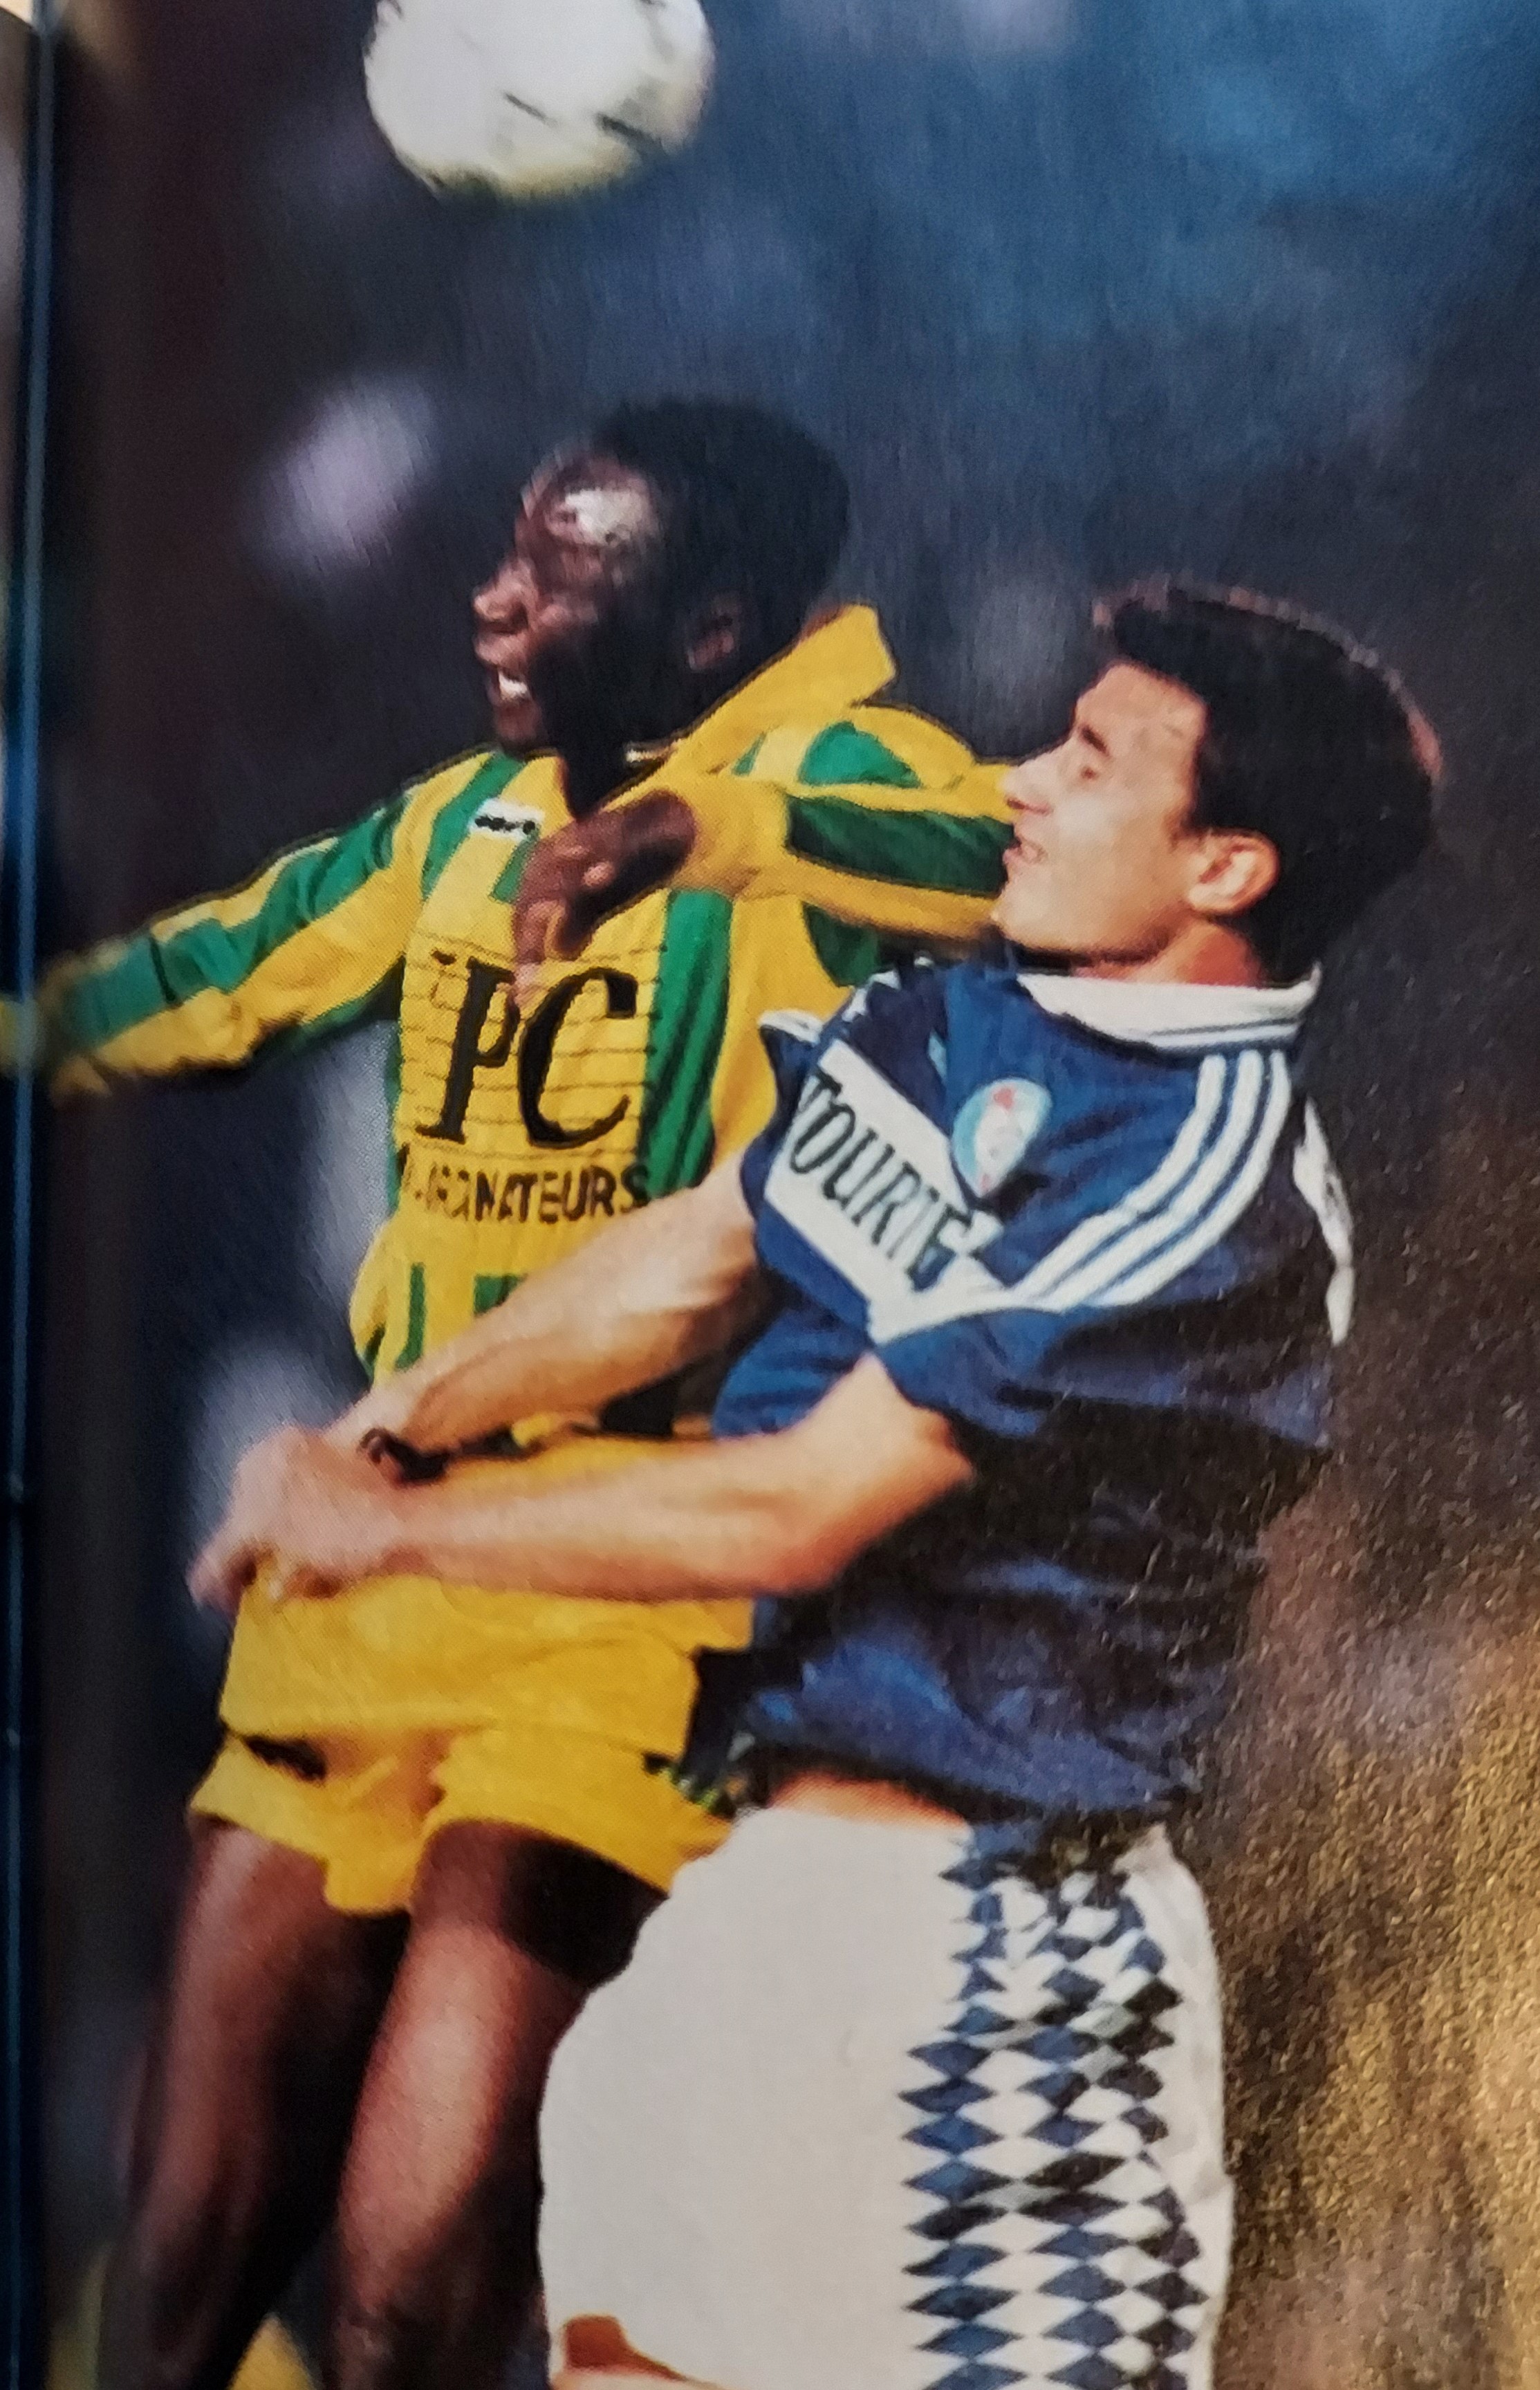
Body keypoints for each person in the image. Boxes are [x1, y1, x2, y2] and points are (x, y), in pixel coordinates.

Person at [196, 582, 1438, 2390]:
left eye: (1092, 763)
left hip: (999, 1977)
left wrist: (390, 1528)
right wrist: (386, 1424)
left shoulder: (1203, 1178)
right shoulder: (964, 1014)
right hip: (745, 1904)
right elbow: (697, 1255)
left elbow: (799, 1505)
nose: (1020, 782)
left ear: (1225, 868)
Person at [39, 398, 1017, 2390]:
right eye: (504, 553)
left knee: (411, 2286)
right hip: (370, 1551)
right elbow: (220, 969)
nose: (493, 601)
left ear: (713, 629)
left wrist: (696, 829)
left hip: (623, 1614)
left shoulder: (828, 780)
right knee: (175, 2271)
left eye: (560, 576)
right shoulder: (458, 824)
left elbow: (1000, 851)